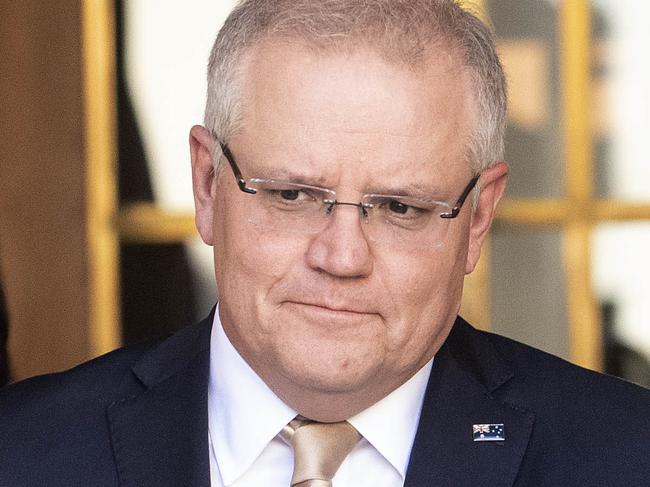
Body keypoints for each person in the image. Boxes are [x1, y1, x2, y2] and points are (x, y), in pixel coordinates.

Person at [1, 1, 648, 485]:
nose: (341, 258)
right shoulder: (23, 451)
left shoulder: (624, 455)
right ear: (206, 184)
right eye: (291, 195)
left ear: (477, 218)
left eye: (399, 207)